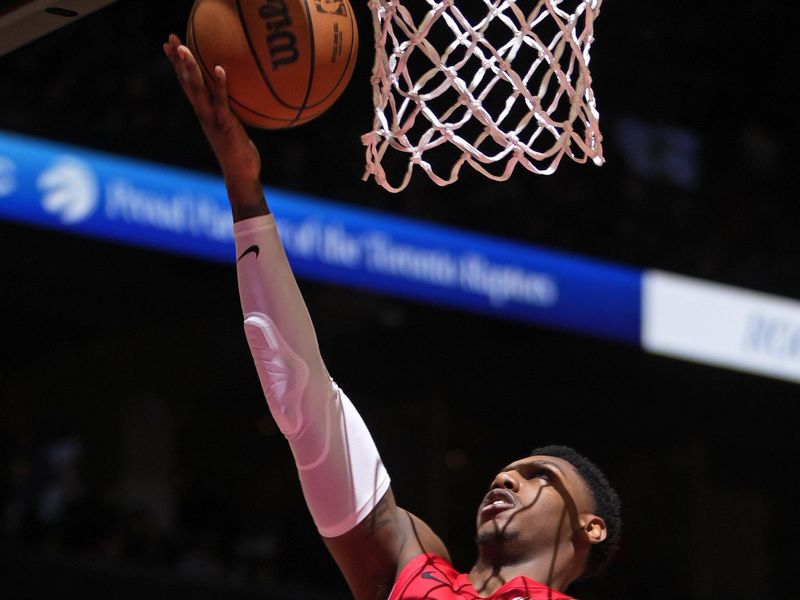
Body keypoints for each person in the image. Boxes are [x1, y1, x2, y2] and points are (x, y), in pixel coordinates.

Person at [163, 34, 621, 600]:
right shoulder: (414, 566)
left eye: (539, 478)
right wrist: (243, 186)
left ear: (590, 527)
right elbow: (304, 398)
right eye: (516, 468)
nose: (506, 478)